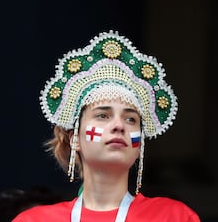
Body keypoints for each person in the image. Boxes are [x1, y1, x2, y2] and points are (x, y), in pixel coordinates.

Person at [12, 30, 200, 221]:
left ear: (140, 146)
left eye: (131, 119)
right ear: (74, 138)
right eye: (103, 115)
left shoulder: (174, 216)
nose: (119, 125)